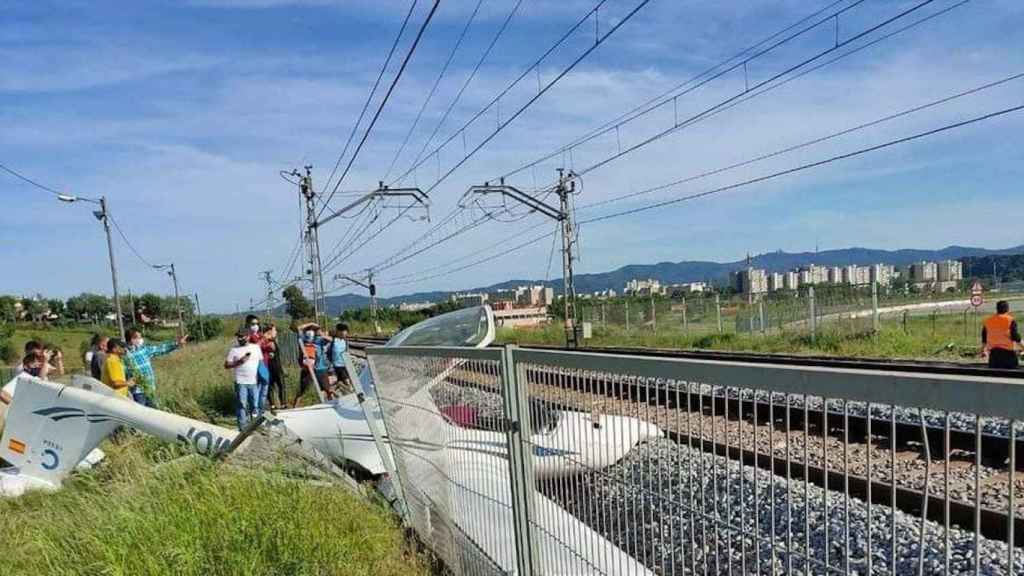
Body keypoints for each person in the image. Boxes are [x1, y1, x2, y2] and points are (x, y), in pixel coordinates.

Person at [123, 328, 187, 406]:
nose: (141, 340)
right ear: (132, 339)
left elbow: (160, 349)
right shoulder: (125, 355)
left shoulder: (143, 350)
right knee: (141, 414)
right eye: (138, 338)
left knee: (154, 412)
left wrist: (177, 343)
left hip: (150, 389)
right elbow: (123, 372)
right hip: (138, 392)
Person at [1, 353, 53, 431]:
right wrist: (19, 407)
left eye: (39, 363)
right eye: (34, 363)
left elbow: (42, 378)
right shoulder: (24, 377)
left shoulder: (31, 378)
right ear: (26, 366)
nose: (38, 365)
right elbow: (2, 393)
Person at [225, 328, 263, 430]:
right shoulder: (234, 350)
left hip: (254, 382)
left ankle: (255, 426)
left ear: (248, 336)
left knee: (255, 406)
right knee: (242, 405)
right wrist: (239, 362)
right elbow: (226, 365)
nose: (239, 338)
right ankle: (243, 428)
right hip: (240, 382)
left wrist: (263, 377)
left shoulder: (255, 348)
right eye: (238, 336)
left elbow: (261, 363)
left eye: (242, 336)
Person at [292, 322, 331, 407]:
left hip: (321, 368)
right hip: (307, 369)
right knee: (302, 390)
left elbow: (331, 340)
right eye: (310, 330)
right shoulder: (303, 340)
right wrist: (310, 324)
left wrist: (322, 334)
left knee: (327, 389)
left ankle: (330, 404)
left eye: (313, 330)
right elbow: (298, 328)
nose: (311, 333)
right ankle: (294, 407)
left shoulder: (319, 339)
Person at [982, 300, 1022, 369]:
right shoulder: (1010, 320)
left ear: (997, 309)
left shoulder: (988, 321)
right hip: (1008, 355)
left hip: (994, 356)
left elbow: (984, 338)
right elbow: (1015, 336)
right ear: (1007, 309)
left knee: (995, 376)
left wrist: (983, 351)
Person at [261, 323, 287, 411]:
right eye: (274, 330)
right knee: (277, 385)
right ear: (269, 331)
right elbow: (271, 350)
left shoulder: (272, 340)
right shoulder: (267, 341)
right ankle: (278, 404)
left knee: (276, 386)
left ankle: (281, 403)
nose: (276, 332)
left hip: (275, 365)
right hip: (271, 366)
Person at [330, 323, 353, 395]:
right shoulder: (332, 340)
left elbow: (347, 352)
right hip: (337, 365)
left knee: (341, 381)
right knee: (347, 382)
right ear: (338, 332)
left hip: (345, 364)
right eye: (343, 331)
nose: (345, 333)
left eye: (346, 331)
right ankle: (351, 394)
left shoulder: (345, 341)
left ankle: (335, 390)